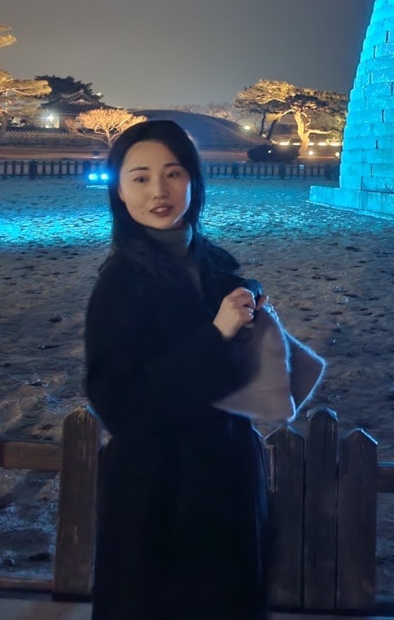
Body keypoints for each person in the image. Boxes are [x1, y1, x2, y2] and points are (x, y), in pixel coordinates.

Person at [85, 119, 271, 620]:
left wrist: (249, 295)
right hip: (158, 494)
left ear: (193, 180)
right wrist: (215, 335)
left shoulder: (214, 263)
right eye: (140, 177)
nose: (159, 191)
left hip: (228, 478)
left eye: (173, 173)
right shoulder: (119, 284)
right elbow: (121, 406)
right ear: (120, 190)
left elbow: (233, 299)